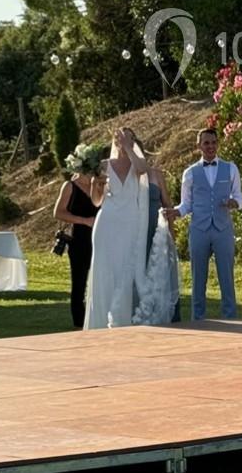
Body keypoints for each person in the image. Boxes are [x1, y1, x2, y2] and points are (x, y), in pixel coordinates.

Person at [169, 128, 242, 320]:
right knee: (198, 278)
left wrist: (234, 203)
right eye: (206, 143)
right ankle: (198, 319)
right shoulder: (190, 173)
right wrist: (176, 212)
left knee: (226, 277)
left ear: (218, 144)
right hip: (199, 229)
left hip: (223, 228)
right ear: (199, 146)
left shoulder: (231, 168)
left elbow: (238, 197)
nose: (210, 146)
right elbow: (187, 204)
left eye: (213, 142)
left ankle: (230, 319)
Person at [85, 127, 151, 330]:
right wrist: (96, 185)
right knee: (104, 269)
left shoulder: (137, 164)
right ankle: (99, 321)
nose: (121, 140)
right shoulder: (103, 165)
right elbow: (96, 201)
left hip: (130, 222)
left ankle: (121, 320)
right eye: (118, 137)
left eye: (126, 137)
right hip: (107, 222)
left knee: (125, 269)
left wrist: (129, 147)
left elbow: (142, 170)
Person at [52, 151, 103, 327]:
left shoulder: (99, 184)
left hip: (100, 237)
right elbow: (58, 212)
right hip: (79, 238)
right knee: (79, 281)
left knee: (99, 278)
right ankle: (79, 322)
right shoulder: (69, 187)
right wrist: (84, 221)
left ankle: (98, 315)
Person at [133, 159, 182, 325]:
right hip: (136, 230)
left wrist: (171, 233)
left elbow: (167, 204)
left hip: (155, 228)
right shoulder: (127, 177)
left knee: (161, 269)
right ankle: (139, 312)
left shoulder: (156, 174)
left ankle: (166, 314)